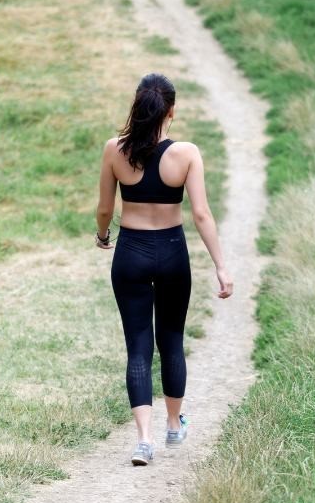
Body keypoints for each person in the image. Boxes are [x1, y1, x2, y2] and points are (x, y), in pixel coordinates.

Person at [94, 72, 233, 466]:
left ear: (137, 106)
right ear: (171, 110)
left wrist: (104, 234)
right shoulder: (186, 153)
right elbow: (202, 215)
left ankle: (143, 440)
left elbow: (105, 208)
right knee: (170, 339)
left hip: (131, 253)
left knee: (138, 347)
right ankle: (174, 425)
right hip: (172, 252)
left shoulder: (114, 150)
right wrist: (222, 267)